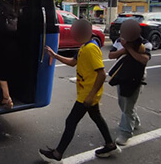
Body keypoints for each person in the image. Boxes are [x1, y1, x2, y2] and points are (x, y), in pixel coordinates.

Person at [39, 19, 120, 162]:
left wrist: (90, 96)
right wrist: (54, 55)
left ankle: (57, 154)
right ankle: (110, 144)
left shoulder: (90, 49)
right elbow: (72, 62)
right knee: (97, 118)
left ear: (84, 32)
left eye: (74, 32)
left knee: (71, 121)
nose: (72, 35)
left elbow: (102, 74)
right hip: (86, 92)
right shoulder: (85, 46)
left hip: (87, 94)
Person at [108, 20, 151, 146]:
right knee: (123, 103)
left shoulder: (144, 43)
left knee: (128, 105)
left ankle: (125, 132)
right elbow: (111, 55)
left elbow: (144, 60)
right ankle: (134, 121)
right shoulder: (119, 41)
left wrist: (128, 48)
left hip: (136, 77)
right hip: (121, 76)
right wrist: (124, 49)